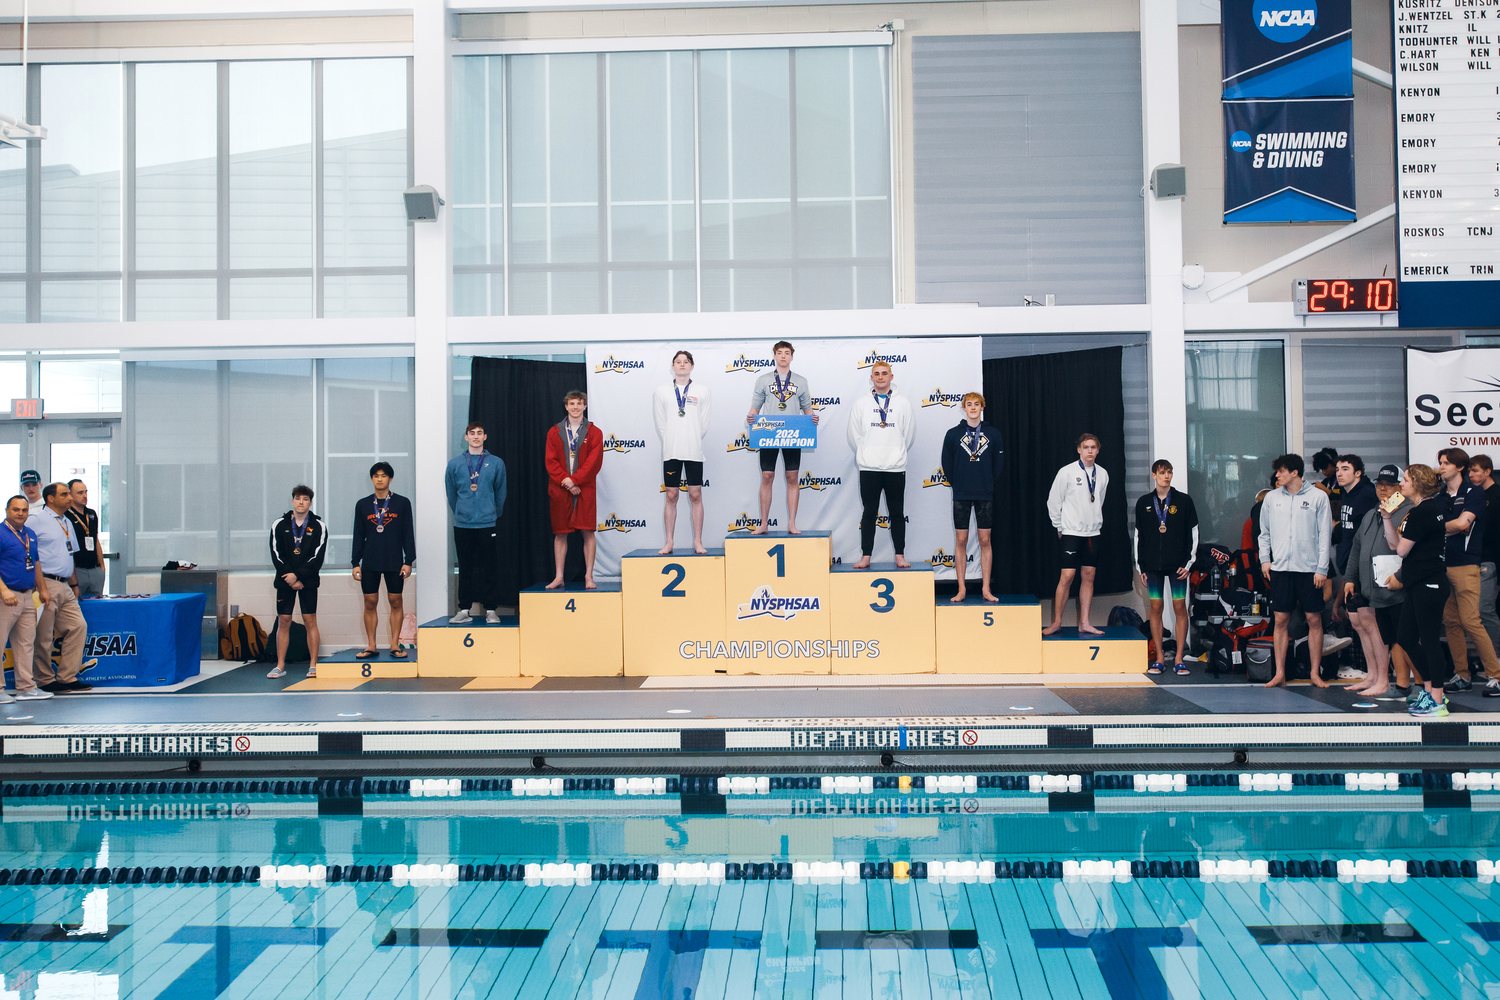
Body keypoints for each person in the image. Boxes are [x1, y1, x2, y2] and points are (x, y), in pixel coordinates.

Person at [1383, 464, 1454, 717]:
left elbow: (1402, 550)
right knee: (1406, 638)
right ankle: (1429, 690)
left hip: (1430, 583)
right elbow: (1395, 544)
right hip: (1418, 584)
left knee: (1430, 640)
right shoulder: (1419, 510)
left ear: (1417, 483)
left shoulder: (1425, 510)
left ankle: (1437, 698)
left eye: (1405, 479)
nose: (1401, 484)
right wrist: (1386, 517)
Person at [1257, 454, 1332, 688]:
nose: (1277, 475)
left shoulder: (1318, 497)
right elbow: (1264, 533)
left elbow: (1324, 536)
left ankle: (1314, 673)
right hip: (1280, 569)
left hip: (1310, 570)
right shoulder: (1271, 499)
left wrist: (1322, 569)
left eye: (1281, 471)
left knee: (1314, 619)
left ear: (1295, 473)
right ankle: (1279, 673)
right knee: (1280, 620)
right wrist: (1264, 560)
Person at [1435, 447, 1500, 696]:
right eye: (1440, 462)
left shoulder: (1474, 492)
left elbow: (1464, 523)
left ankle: (1496, 674)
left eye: (1446, 463)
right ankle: (1462, 674)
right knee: (1451, 622)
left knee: (1472, 620)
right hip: (1443, 564)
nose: (1441, 467)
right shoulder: (1441, 496)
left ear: (1459, 467)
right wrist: (1448, 527)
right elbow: (1451, 525)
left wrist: (1441, 526)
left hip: (1466, 564)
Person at [1344, 465, 1413, 698]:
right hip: (1368, 583)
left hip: (1393, 584)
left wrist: (1401, 577)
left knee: (1388, 634)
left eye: (1390, 485)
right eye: (1380, 484)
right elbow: (1357, 548)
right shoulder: (1372, 513)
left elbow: (1412, 551)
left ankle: (1386, 679)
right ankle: (1373, 675)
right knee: (1366, 626)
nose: (1383, 489)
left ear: (1401, 487)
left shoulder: (1408, 511)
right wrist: (1349, 579)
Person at [847, 361, 916, 569]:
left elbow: (909, 434)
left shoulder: (903, 402)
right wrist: (865, 454)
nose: (880, 377)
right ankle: (866, 556)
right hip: (869, 467)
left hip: (895, 467)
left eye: (884, 373)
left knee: (897, 513)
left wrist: (897, 454)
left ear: (891, 377)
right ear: (871, 377)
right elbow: (853, 436)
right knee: (869, 513)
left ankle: (900, 556)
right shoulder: (861, 403)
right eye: (876, 374)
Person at [1133, 460, 1199, 675]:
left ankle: (1179, 658)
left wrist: (1189, 563)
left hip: (1178, 566)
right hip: (1151, 566)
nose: (1167, 476)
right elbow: (1138, 536)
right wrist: (1140, 566)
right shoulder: (1144, 502)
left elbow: (1194, 533)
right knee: (1156, 609)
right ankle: (1160, 657)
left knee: (1180, 608)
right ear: (1154, 475)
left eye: (1169, 472)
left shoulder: (1184, 501)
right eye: (1162, 473)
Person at [745, 340, 817, 535]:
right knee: (767, 476)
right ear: (774, 356)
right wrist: (750, 417)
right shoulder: (763, 380)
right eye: (779, 352)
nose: (783, 356)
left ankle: (792, 523)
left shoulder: (801, 381)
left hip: (793, 433)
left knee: (792, 477)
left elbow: (807, 408)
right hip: (769, 432)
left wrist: (812, 420)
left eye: (787, 352)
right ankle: (763, 523)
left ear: (792, 356)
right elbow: (755, 408)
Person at [940, 391, 1004, 603]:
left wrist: (987, 483)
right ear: (964, 408)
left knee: (985, 540)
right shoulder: (952, 434)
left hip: (985, 493)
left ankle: (986, 589)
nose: (973, 408)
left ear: (982, 407)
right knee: (961, 540)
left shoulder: (993, 434)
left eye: (977, 404)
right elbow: (947, 464)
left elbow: (998, 464)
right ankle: (961, 588)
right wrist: (958, 484)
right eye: (969, 404)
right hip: (961, 493)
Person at [1044, 433, 1109, 636]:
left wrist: (1095, 520)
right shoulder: (1067, 472)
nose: (1090, 451)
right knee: (1067, 576)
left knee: (1089, 576)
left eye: (1093, 447)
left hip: (1093, 532)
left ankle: (1085, 622)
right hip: (1071, 531)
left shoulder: (1103, 474)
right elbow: (1053, 501)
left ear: (1098, 450)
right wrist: (1059, 526)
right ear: (1079, 450)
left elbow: (1099, 500)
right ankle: (1056, 622)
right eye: (1086, 447)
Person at [444, 422, 507, 624]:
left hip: (488, 523)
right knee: (466, 568)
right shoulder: (455, 464)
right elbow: (451, 494)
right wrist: (462, 513)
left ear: (485, 437)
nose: (476, 437)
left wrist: (492, 513)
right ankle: (464, 609)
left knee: (490, 568)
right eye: (472, 433)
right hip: (463, 525)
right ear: (466, 438)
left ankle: (490, 610)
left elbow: (500, 491)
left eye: (480, 433)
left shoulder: (496, 463)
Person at [351, 462, 415, 660]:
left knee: (395, 600)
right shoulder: (363, 504)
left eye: (384, 475)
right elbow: (358, 535)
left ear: (390, 479)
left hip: (394, 559)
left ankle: (395, 644)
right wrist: (355, 562)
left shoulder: (402, 503)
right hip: (370, 560)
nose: (380, 479)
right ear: (371, 479)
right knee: (370, 602)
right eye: (376, 475)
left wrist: (409, 560)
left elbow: (407, 533)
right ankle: (371, 645)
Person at [30, 482, 88, 694]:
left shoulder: (67, 521)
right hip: (45, 583)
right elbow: (24, 547)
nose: (70, 498)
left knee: (78, 626)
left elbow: (69, 554)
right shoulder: (36, 520)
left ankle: (67, 677)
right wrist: (38, 585)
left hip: (64, 584)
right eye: (64, 495)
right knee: (44, 636)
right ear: (50, 498)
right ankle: (44, 679)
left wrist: (73, 584)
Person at [653, 351, 712, 555]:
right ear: (672, 366)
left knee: (695, 494)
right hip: (671, 451)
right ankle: (669, 542)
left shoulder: (702, 390)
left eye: (686, 362)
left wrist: (691, 438)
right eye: (678, 362)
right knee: (671, 495)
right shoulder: (661, 391)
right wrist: (672, 439)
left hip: (694, 451)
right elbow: (661, 425)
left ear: (692, 366)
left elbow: (703, 424)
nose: (682, 365)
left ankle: (698, 541)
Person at [545, 390, 604, 590]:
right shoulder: (554, 432)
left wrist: (576, 480)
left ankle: (589, 576)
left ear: (585, 406)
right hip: (560, 488)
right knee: (561, 533)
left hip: (584, 488)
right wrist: (566, 481)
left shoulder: (594, 432)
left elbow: (593, 463)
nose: (576, 407)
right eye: (572, 403)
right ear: (566, 406)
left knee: (587, 531)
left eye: (579, 403)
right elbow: (550, 461)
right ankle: (559, 576)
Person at [267, 485, 326, 680]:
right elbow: (276, 555)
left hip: (307, 581)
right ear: (292, 501)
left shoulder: (319, 526)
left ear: (310, 502)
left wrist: (299, 577)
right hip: (285, 580)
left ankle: (313, 665)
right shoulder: (279, 524)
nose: (301, 502)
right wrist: (290, 578)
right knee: (284, 621)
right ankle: (280, 665)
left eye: (305, 499)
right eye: (298, 498)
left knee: (310, 621)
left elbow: (317, 558)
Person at [0, 495, 49, 702]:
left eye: (24, 510)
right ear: (7, 511)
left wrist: (43, 588)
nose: (20, 514)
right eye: (16, 510)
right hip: (6, 597)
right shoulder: (1, 533)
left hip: (28, 596)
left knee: (25, 643)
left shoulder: (30, 534)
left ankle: (26, 688)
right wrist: (3, 590)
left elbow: (35, 562)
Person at [1470, 454, 1500, 663]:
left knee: (1484, 609)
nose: (1471, 475)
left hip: (1490, 559)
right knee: (1472, 614)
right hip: (1472, 560)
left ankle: (1495, 659)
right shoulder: (1472, 495)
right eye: (1469, 471)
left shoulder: (1497, 495)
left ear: (1488, 471)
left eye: (1476, 471)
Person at [1333, 455, 1377, 577]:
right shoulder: (1346, 493)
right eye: (1337, 470)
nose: (1339, 474)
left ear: (1357, 473)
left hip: (1362, 564)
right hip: (1349, 560)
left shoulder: (1367, 494)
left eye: (1345, 469)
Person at [64, 479, 104, 597]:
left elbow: (95, 539)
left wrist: (101, 566)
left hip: (95, 569)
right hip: (77, 569)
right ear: (70, 495)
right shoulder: (65, 516)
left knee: (96, 605)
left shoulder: (91, 514)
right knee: (76, 606)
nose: (85, 496)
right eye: (80, 493)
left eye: (86, 492)